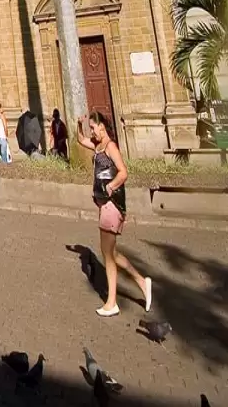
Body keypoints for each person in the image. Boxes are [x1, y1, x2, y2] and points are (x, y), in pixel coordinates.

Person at [75, 111, 153, 317]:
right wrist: (79, 124)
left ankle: (111, 302)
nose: (92, 132)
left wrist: (110, 187)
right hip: (104, 205)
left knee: (108, 255)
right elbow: (80, 140)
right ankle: (141, 282)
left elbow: (123, 172)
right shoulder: (98, 146)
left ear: (102, 126)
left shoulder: (110, 147)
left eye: (93, 128)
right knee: (112, 254)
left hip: (112, 205)